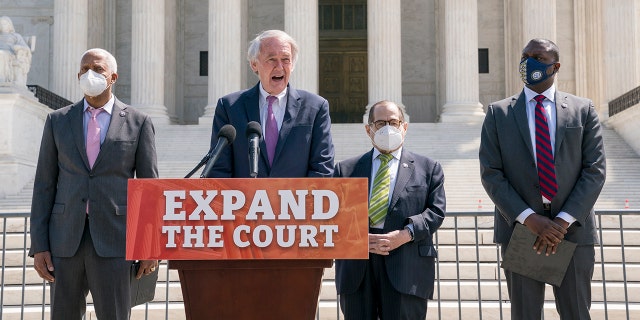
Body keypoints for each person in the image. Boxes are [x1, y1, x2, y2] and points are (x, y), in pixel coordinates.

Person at [479, 38, 606, 319]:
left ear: (555, 66)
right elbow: (491, 173)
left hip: (572, 231)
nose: (528, 62)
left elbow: (594, 170)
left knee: (576, 313)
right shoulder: (499, 113)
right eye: (525, 56)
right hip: (523, 231)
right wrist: (530, 219)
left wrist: (561, 222)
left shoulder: (582, 110)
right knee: (525, 314)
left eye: (538, 56)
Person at [29, 48, 159, 320]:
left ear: (113, 77)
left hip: (114, 240)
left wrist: (149, 247)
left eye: (97, 69)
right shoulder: (58, 121)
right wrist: (39, 244)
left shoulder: (138, 122)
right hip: (65, 241)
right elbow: (44, 184)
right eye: (84, 69)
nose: (90, 74)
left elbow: (148, 189)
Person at [334, 100, 446, 319]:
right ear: (369, 130)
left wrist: (405, 235)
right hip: (358, 269)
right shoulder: (346, 169)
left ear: (404, 126)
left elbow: (436, 211)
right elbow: (334, 215)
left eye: (394, 122)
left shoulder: (428, 168)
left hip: (406, 263)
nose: (388, 128)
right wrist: (357, 239)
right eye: (381, 123)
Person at [205, 29, 334, 178]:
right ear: (254, 64)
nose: (279, 67)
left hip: (298, 200)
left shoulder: (316, 107)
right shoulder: (229, 107)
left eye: (286, 59)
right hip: (244, 200)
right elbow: (218, 170)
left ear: (292, 64)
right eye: (271, 59)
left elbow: (322, 169)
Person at [0, 16, 32, 84]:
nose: (3, 26)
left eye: (4, 24)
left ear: (9, 25)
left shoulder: (16, 36)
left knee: (1, 54)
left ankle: (2, 78)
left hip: (11, 54)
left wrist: (18, 47)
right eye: (1, 24)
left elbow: (26, 48)